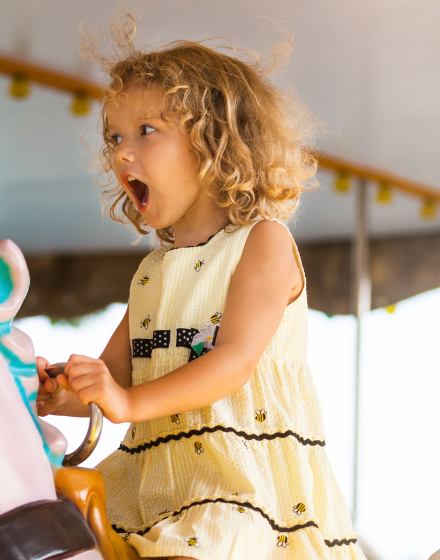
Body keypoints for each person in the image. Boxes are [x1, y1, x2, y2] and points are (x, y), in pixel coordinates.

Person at [35, 36, 366, 560]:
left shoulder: (262, 243)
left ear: (215, 142)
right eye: (115, 137)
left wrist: (127, 403)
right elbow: (116, 379)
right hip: (151, 481)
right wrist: (65, 393)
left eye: (146, 131)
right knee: (45, 517)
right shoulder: (152, 274)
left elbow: (232, 361)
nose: (122, 151)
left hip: (240, 489)